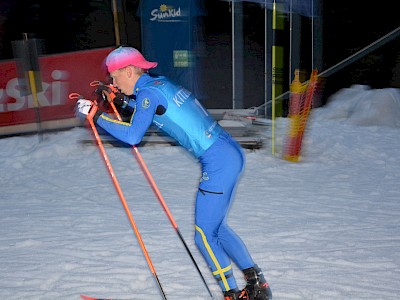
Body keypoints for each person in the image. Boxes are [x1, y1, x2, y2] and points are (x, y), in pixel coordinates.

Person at [75, 46, 272, 300]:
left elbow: (133, 134)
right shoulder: (158, 84)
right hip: (229, 152)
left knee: (203, 234)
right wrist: (122, 101)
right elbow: (148, 108)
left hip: (218, 161)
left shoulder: (147, 94)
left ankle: (231, 294)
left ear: (128, 70)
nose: (113, 82)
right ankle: (257, 285)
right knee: (216, 228)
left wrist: (97, 115)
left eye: (114, 76)